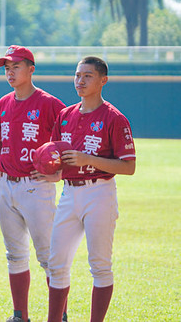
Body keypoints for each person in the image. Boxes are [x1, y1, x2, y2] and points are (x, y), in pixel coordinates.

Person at [46, 57, 136, 322]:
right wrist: (52, 172)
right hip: (69, 192)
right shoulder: (65, 115)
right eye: (77, 75)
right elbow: (57, 157)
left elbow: (129, 166)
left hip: (100, 192)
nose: (80, 81)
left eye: (87, 76)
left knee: (99, 265)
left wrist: (89, 160)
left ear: (102, 80)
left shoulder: (114, 118)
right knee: (57, 263)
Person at [0, 45, 65, 322]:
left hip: (37, 187)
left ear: (31, 69)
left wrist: (58, 174)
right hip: (7, 185)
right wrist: (1, 163)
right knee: (14, 255)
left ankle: (60, 315)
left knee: (47, 256)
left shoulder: (50, 104)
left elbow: (69, 142)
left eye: (16, 67)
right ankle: (20, 315)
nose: (10, 73)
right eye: (7, 68)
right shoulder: (3, 103)